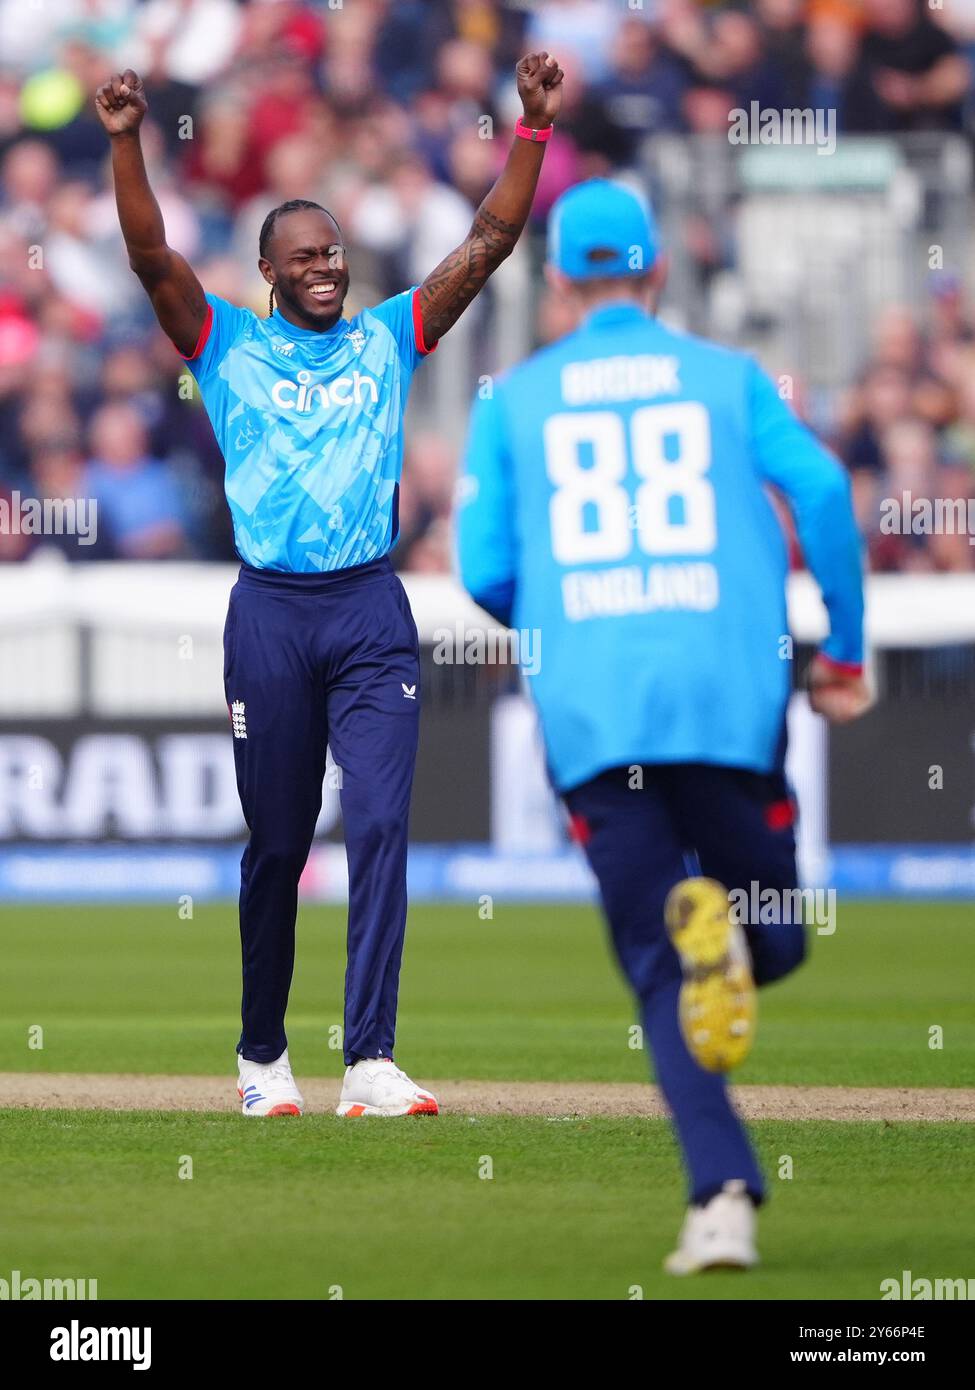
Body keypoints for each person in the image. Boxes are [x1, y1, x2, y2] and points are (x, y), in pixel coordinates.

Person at [95, 55, 564, 1119]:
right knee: (277, 842)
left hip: (369, 609)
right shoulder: (223, 341)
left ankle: (371, 1060)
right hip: (270, 613)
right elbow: (146, 252)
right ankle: (263, 1058)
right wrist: (126, 140)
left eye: (334, 252)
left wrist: (530, 130)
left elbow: (489, 242)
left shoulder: (391, 335)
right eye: (302, 256)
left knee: (386, 821)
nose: (324, 268)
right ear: (268, 269)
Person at [457, 177, 872, 1271]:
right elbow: (825, 493)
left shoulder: (517, 400)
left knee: (660, 962)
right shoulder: (728, 379)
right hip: (731, 690)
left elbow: (483, 568)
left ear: (558, 284)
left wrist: (558, 610)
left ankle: (720, 1197)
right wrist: (844, 646)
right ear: (653, 270)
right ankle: (738, 941)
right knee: (777, 924)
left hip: (595, 708)